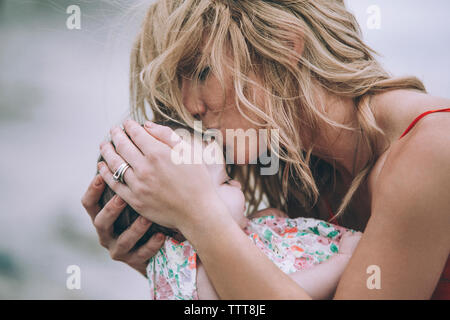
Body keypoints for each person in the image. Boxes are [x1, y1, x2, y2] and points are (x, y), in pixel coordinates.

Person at [82, 0, 450, 299]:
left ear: (285, 45)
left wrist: (200, 219)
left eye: (201, 70)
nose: (188, 105)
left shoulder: (433, 148)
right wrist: (171, 261)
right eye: (177, 83)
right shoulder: (297, 170)